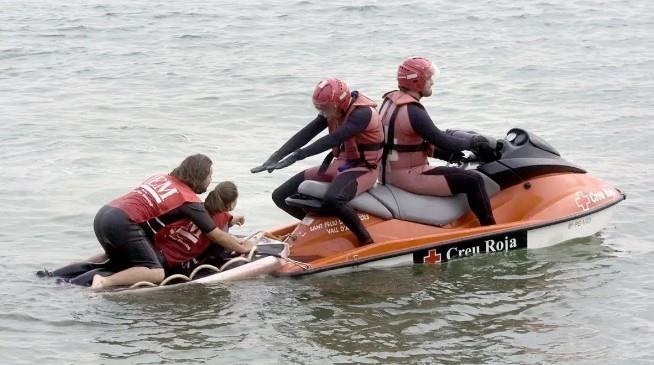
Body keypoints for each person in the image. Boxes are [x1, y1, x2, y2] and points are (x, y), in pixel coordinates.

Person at [90, 154, 254, 289]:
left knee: (114, 255)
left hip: (105, 214)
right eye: (209, 175)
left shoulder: (162, 177)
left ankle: (80, 266)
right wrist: (241, 247)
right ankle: (104, 282)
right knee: (156, 273)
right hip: (124, 223)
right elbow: (216, 234)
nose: (211, 180)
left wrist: (231, 220)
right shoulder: (188, 199)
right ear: (200, 176)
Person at [251, 78, 383, 245]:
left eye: (326, 109)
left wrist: (295, 157)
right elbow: (306, 134)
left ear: (340, 102)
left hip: (363, 169)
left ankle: (367, 241)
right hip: (340, 165)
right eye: (320, 109)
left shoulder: (362, 114)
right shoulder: (332, 109)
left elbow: (333, 139)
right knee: (280, 196)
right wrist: (275, 157)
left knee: (334, 199)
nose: (324, 113)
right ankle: (323, 229)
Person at [379, 57, 496, 226]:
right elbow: (442, 140)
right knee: (473, 180)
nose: (432, 82)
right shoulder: (413, 111)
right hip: (408, 176)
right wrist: (474, 143)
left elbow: (405, 143)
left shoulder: (389, 102)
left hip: (389, 174)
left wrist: (449, 157)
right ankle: (490, 229)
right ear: (417, 82)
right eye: (428, 78)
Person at [153, 181, 245, 276]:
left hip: (158, 251)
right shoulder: (222, 219)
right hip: (175, 265)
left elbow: (216, 218)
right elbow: (225, 237)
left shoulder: (197, 208)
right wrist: (246, 245)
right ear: (231, 204)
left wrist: (231, 220)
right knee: (219, 248)